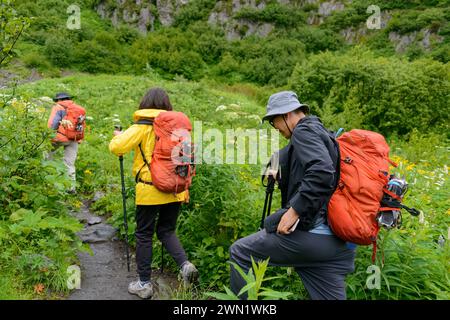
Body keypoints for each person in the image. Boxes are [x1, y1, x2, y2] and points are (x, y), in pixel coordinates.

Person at [229, 91, 356, 300]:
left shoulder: (303, 132)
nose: (275, 127)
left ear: (286, 115)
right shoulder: (320, 130)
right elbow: (300, 158)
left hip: (313, 236)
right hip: (337, 246)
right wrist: (279, 167)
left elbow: (322, 172)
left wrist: (294, 211)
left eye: (274, 121)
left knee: (241, 252)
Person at [109, 87, 198, 299]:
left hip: (150, 189)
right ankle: (185, 266)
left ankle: (144, 284)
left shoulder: (141, 127)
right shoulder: (176, 128)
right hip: (176, 189)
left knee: (144, 234)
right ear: (167, 105)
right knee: (167, 230)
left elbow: (116, 147)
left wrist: (119, 136)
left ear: (144, 103)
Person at [47, 92, 86, 194]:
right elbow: (81, 125)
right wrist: (79, 138)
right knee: (69, 163)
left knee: (46, 155)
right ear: (69, 98)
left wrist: (48, 136)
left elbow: (53, 123)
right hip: (74, 138)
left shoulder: (58, 107)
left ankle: (47, 182)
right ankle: (71, 188)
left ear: (59, 100)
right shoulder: (78, 108)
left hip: (59, 138)